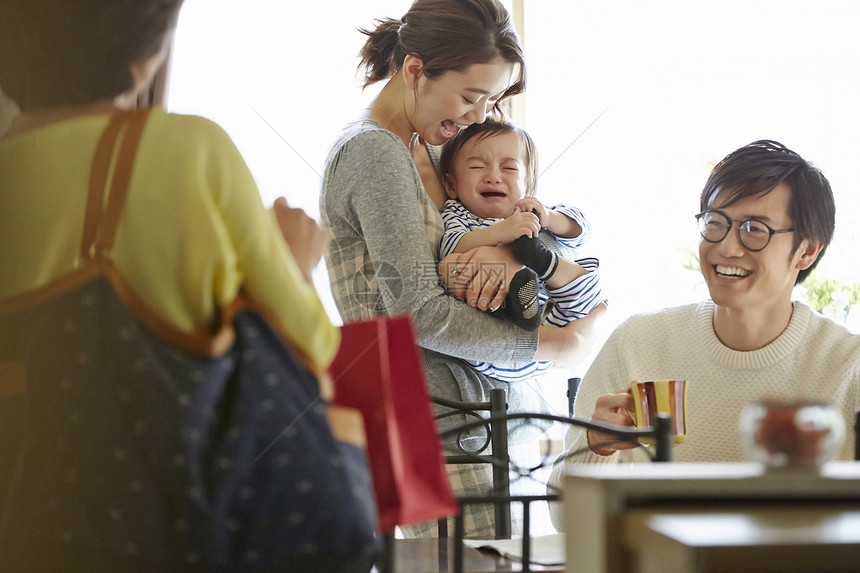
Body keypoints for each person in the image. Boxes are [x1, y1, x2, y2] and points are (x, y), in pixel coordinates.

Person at [0, 1, 376, 569]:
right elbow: (311, 344)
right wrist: (295, 263)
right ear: (145, 52)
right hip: (162, 523)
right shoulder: (187, 149)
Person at [320, 0, 606, 536]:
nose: (479, 116)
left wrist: (501, 249)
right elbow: (419, 315)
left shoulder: (428, 146)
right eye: (471, 97)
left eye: (492, 100)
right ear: (414, 69)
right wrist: (557, 345)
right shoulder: (373, 153)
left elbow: (462, 244)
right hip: (440, 426)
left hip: (483, 420)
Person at [547, 139, 860, 531]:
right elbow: (564, 519)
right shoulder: (640, 344)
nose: (726, 246)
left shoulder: (849, 365)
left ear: (806, 252)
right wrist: (598, 448)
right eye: (715, 222)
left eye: (754, 229)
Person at [438, 119, 602, 381]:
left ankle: (539, 260)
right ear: (451, 185)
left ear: (529, 185)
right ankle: (529, 274)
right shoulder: (458, 214)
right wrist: (501, 233)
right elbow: (451, 246)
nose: (493, 176)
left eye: (509, 167)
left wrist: (547, 217)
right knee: (452, 267)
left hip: (548, 322)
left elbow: (582, 229)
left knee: (588, 284)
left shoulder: (532, 213)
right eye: (477, 166)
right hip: (499, 340)